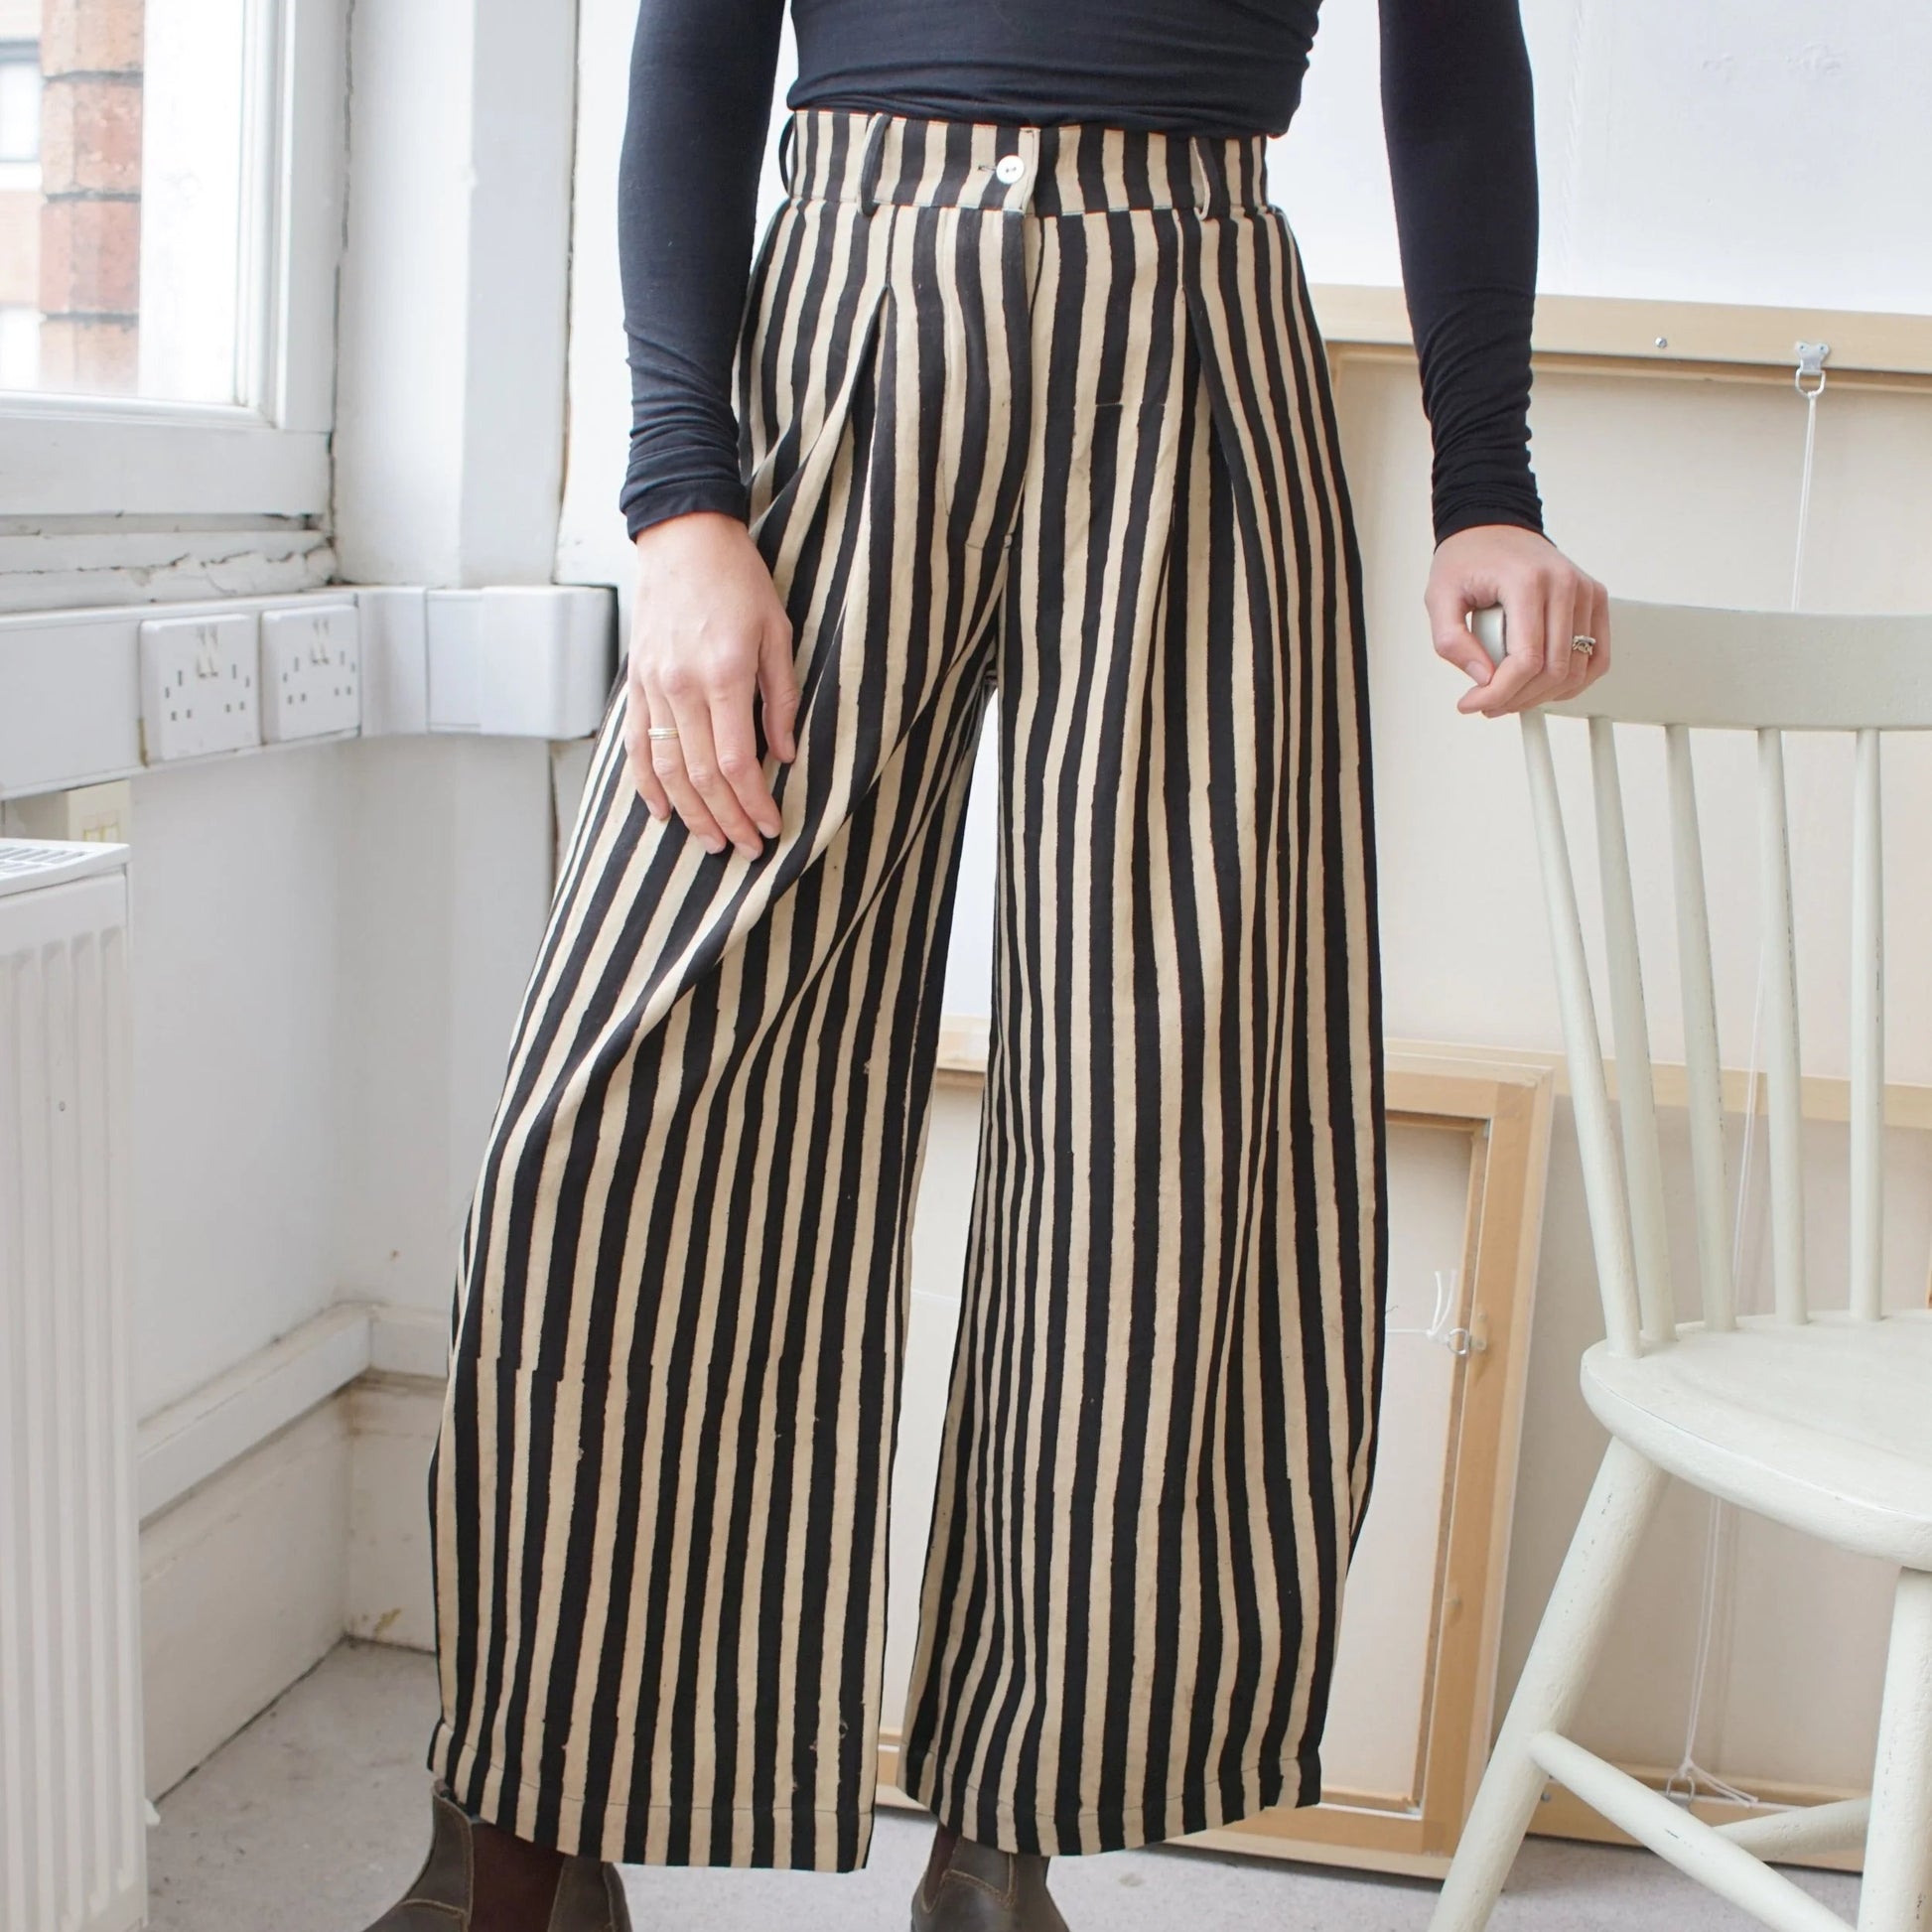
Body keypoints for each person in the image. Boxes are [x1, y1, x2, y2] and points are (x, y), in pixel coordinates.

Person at [362, 0, 1609, 1926]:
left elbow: (1451, 59)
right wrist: (681, 499)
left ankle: (999, 1845)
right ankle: (523, 1825)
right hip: (845, 310)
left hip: (1198, 322)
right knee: (611, 1110)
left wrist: (1486, 480)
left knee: (1166, 1105)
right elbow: (696, 49)